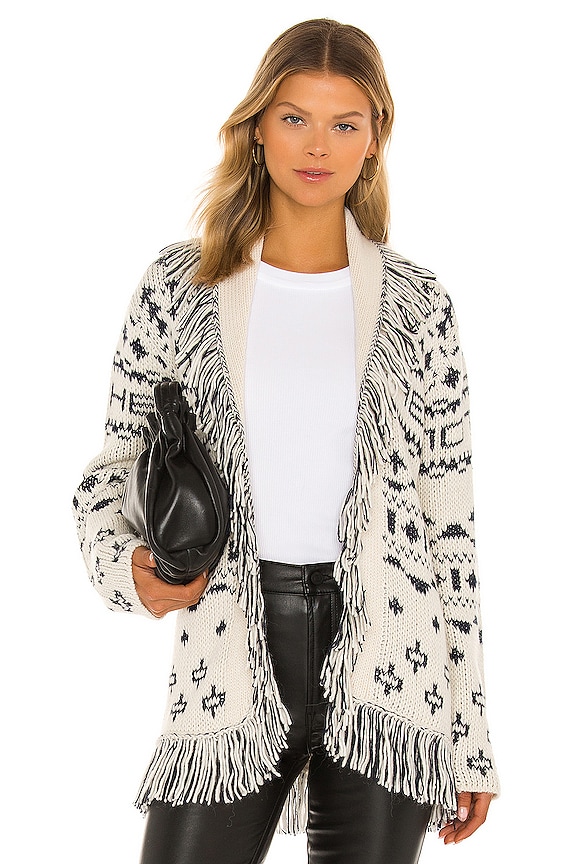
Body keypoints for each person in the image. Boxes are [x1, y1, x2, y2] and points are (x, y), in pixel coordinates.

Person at [73, 18, 499, 864]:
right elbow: (113, 473)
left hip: (390, 666)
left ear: (374, 139)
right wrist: (129, 571)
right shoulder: (179, 288)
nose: (317, 146)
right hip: (232, 648)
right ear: (258, 126)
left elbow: (448, 526)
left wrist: (472, 733)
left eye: (345, 124)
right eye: (295, 117)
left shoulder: (420, 306)